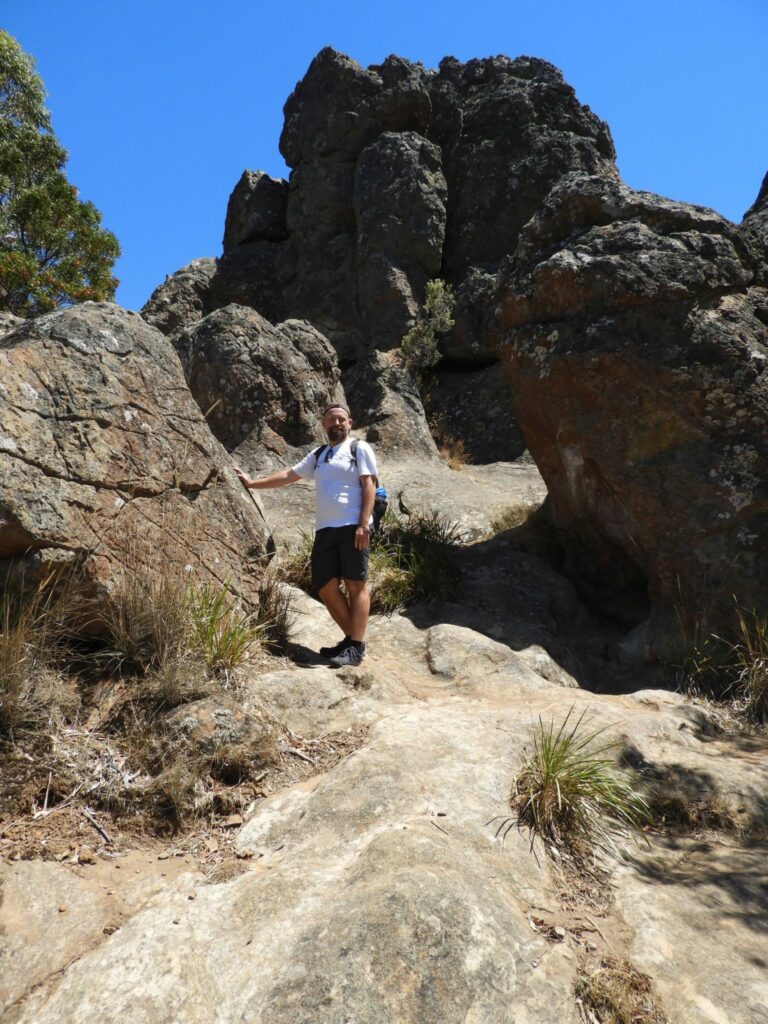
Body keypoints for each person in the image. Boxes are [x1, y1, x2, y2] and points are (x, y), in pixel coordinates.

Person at [236, 403, 376, 667]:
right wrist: (253, 483)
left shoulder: (360, 449)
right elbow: (289, 474)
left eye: (341, 420)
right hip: (325, 530)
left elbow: (369, 485)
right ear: (323, 425)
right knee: (324, 585)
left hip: (351, 526)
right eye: (331, 420)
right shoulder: (319, 454)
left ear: (350, 423)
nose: (336, 424)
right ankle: (353, 639)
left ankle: (355, 647)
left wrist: (363, 525)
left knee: (355, 584)